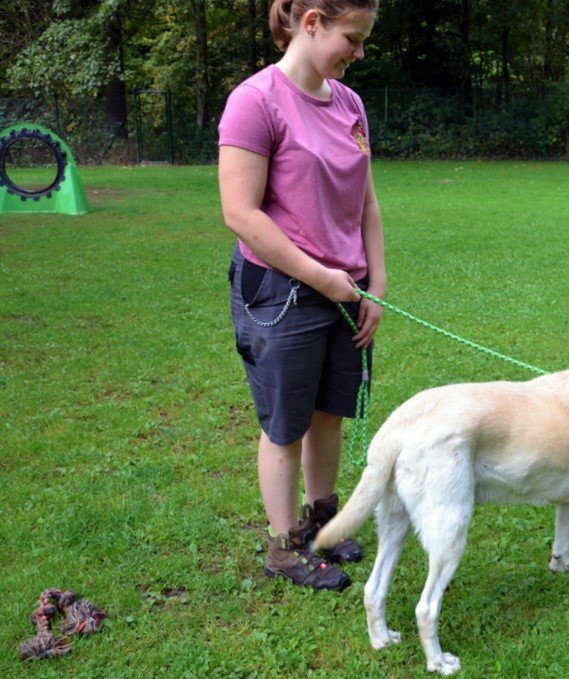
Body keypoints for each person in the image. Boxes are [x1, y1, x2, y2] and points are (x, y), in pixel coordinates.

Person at [217, 0, 383, 591]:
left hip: (347, 288)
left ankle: (322, 526)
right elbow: (240, 212)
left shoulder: (351, 104)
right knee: (286, 425)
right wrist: (321, 276)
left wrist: (376, 285)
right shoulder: (255, 101)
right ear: (310, 22)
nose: (359, 53)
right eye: (352, 38)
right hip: (284, 290)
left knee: (329, 413)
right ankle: (285, 548)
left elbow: (365, 199)